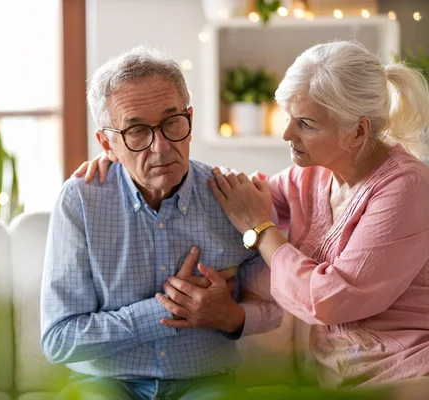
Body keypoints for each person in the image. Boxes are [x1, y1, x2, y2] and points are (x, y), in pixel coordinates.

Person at [74, 40, 429, 389]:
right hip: (339, 379)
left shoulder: (409, 187)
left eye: (305, 122)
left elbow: (331, 300)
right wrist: (125, 156)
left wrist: (261, 230)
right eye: (288, 117)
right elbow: (227, 197)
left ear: (358, 130)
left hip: (408, 372)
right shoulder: (311, 175)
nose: (287, 133)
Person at [40, 46, 283, 399]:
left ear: (190, 119)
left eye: (171, 123)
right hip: (103, 384)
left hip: (205, 382)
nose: (161, 148)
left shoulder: (232, 196)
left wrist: (229, 315)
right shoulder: (80, 200)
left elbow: (274, 310)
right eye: (137, 131)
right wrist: (162, 310)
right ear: (107, 143)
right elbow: (59, 340)